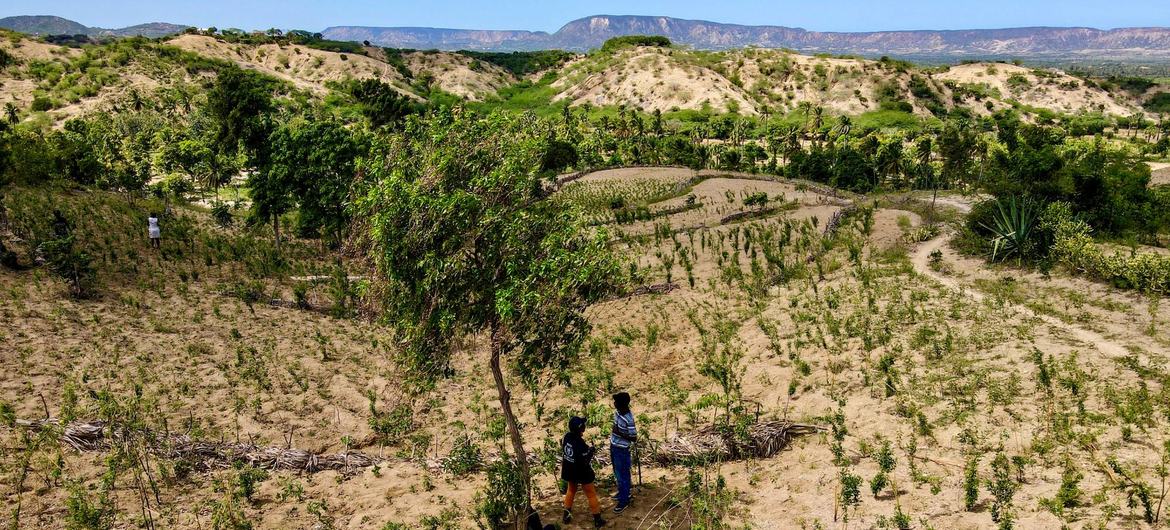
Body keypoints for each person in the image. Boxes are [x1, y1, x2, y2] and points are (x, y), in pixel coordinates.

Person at [562, 416, 605, 528]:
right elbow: (585, 458)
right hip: (581, 472)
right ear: (581, 428)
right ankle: (597, 520)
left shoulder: (567, 437)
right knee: (591, 495)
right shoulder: (580, 444)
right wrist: (591, 450)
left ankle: (566, 516)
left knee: (570, 491)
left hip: (570, 470)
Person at [610, 392, 637, 513]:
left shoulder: (628, 419)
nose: (614, 403)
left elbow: (634, 438)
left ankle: (624, 500)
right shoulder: (617, 413)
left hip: (622, 449)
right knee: (617, 472)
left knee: (623, 475)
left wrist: (619, 433)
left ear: (621, 404)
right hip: (614, 446)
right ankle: (623, 493)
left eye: (616, 402)